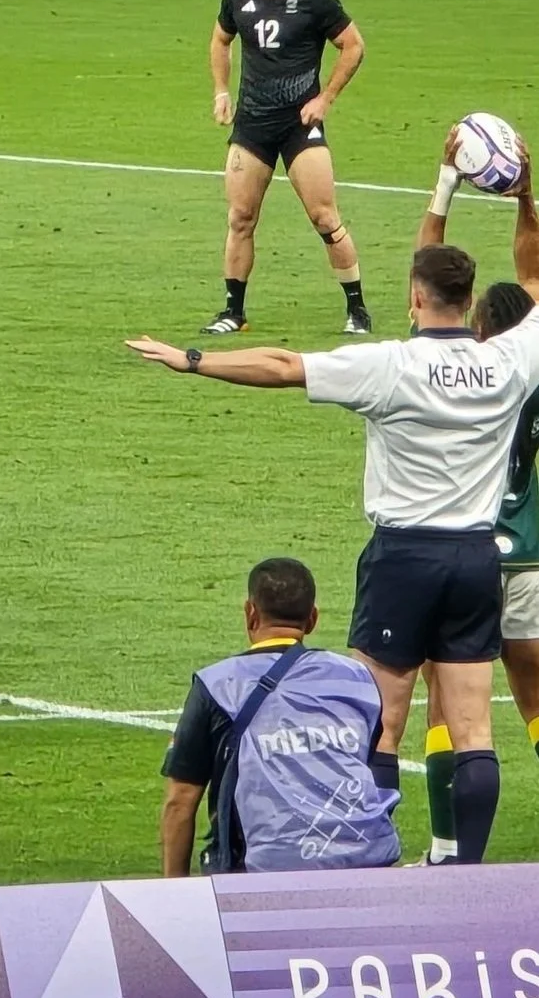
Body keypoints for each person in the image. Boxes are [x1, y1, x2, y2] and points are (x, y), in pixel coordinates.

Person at [128, 226, 539, 865]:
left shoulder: (391, 366)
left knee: (380, 722)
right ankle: (468, 872)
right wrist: (519, 197)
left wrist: (193, 359)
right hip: (476, 558)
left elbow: (283, 366)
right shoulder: (511, 360)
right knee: (475, 730)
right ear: (468, 300)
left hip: (403, 557)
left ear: (414, 297)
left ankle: (371, 855)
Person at [413, 133, 539, 861]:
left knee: (446, 700)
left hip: (455, 552)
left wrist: (444, 180)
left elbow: (425, 267)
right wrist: (524, 194)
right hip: (527, 552)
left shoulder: (443, 362)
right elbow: (532, 271)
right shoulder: (529, 365)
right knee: (531, 699)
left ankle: (442, 849)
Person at [160, 558, 400, 874]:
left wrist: (171, 897)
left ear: (250, 613)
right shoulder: (357, 677)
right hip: (367, 858)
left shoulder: (218, 684)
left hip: (265, 869)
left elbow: (179, 803)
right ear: (312, 619)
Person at [205, 0, 369, 335]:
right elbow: (220, 40)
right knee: (241, 217)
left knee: (324, 217)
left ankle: (357, 309)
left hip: (299, 124)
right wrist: (221, 91)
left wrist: (325, 98)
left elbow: (353, 45)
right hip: (252, 125)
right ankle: (233, 312)